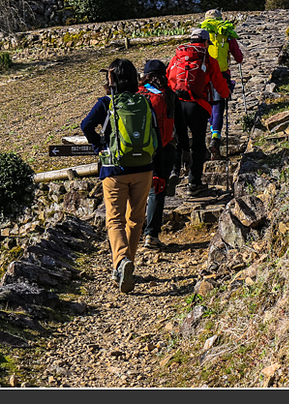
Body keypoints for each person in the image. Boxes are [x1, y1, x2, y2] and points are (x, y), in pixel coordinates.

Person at [80, 58, 159, 294]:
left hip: (114, 170)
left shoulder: (106, 103)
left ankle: (121, 262)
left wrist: (99, 147)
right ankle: (127, 263)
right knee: (136, 218)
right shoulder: (145, 102)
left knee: (115, 219)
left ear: (111, 79)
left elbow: (86, 126)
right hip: (144, 167)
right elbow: (156, 132)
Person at [167, 28, 230, 195]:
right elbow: (218, 82)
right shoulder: (208, 59)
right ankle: (194, 183)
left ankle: (173, 171)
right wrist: (226, 94)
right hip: (198, 106)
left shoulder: (177, 57)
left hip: (178, 104)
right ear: (205, 42)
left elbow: (168, 78)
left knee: (178, 140)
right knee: (198, 145)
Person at [139, 59, 186, 250]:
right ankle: (151, 235)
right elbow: (181, 127)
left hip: (136, 150)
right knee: (156, 191)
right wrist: (185, 152)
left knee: (136, 192)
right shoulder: (169, 96)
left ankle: (129, 234)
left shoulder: (136, 94)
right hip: (164, 149)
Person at [199, 9, 244, 160]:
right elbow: (239, 58)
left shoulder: (202, 34)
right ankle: (215, 137)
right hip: (222, 73)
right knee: (219, 104)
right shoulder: (227, 33)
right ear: (221, 18)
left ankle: (209, 134)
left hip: (204, 74)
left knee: (208, 105)